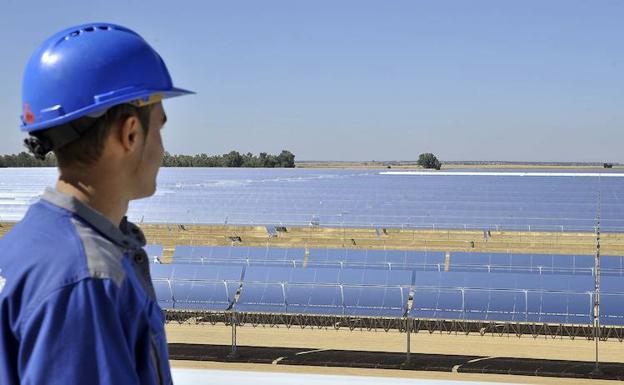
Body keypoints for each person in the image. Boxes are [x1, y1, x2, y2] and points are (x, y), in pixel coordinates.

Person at [0, 23, 193, 384]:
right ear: (130, 133)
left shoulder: (24, 245)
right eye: (160, 128)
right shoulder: (87, 280)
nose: (163, 149)